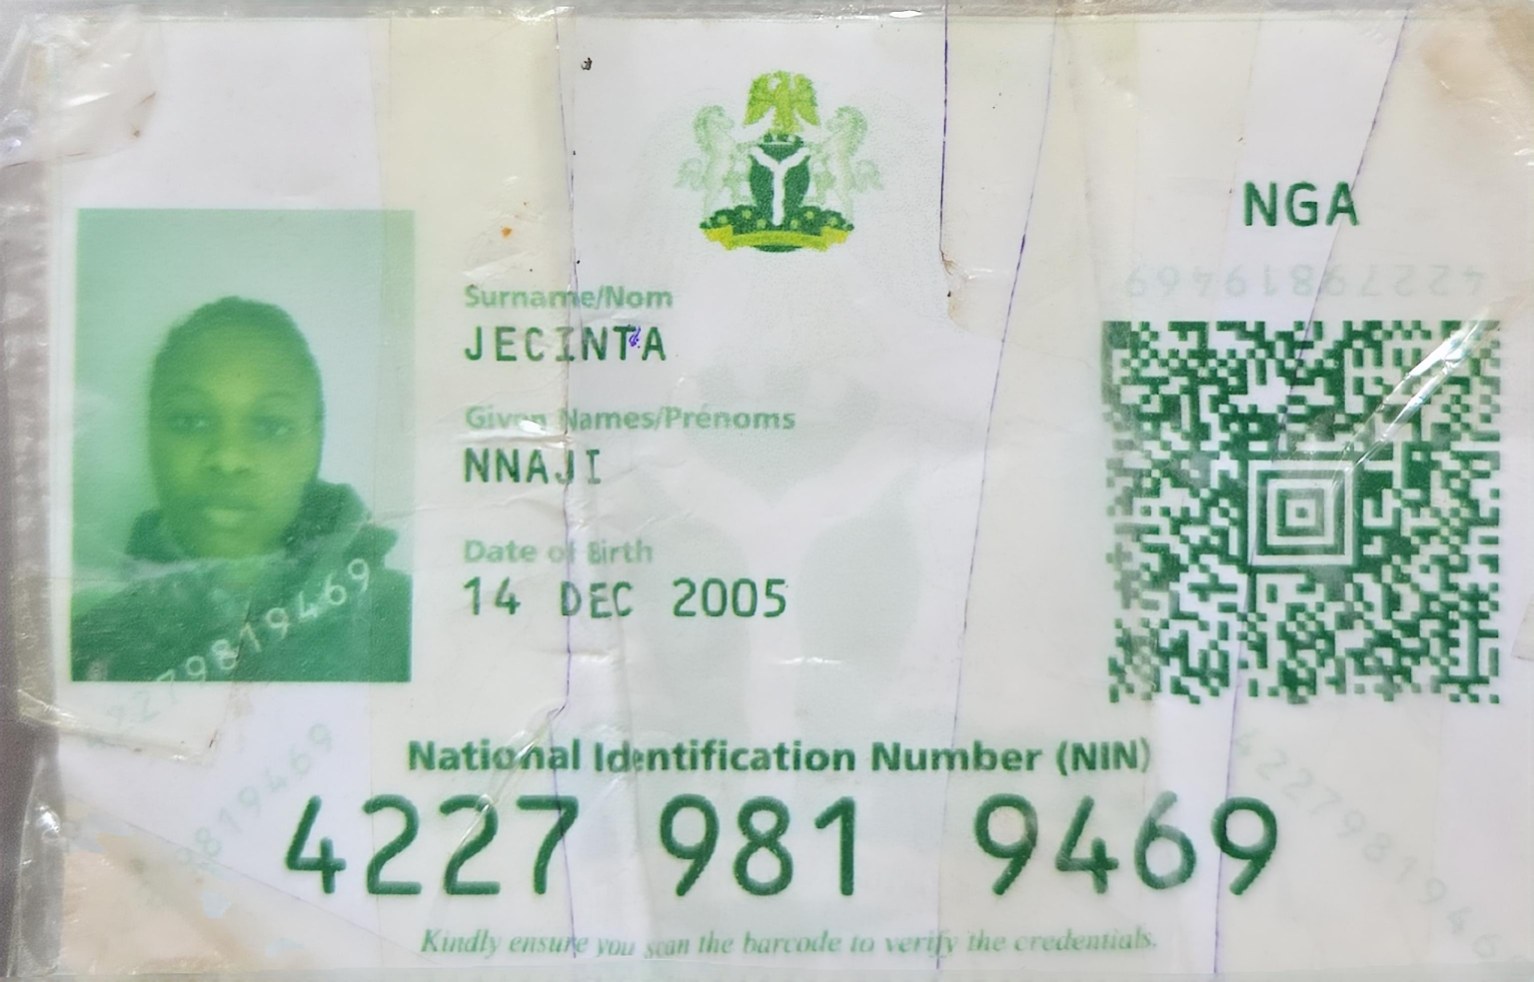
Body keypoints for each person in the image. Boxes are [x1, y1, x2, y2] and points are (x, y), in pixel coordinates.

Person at [71, 297, 410, 682]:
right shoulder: (85, 646)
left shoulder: (407, 622)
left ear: (314, 443)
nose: (228, 458)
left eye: (270, 426)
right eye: (191, 420)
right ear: (150, 435)